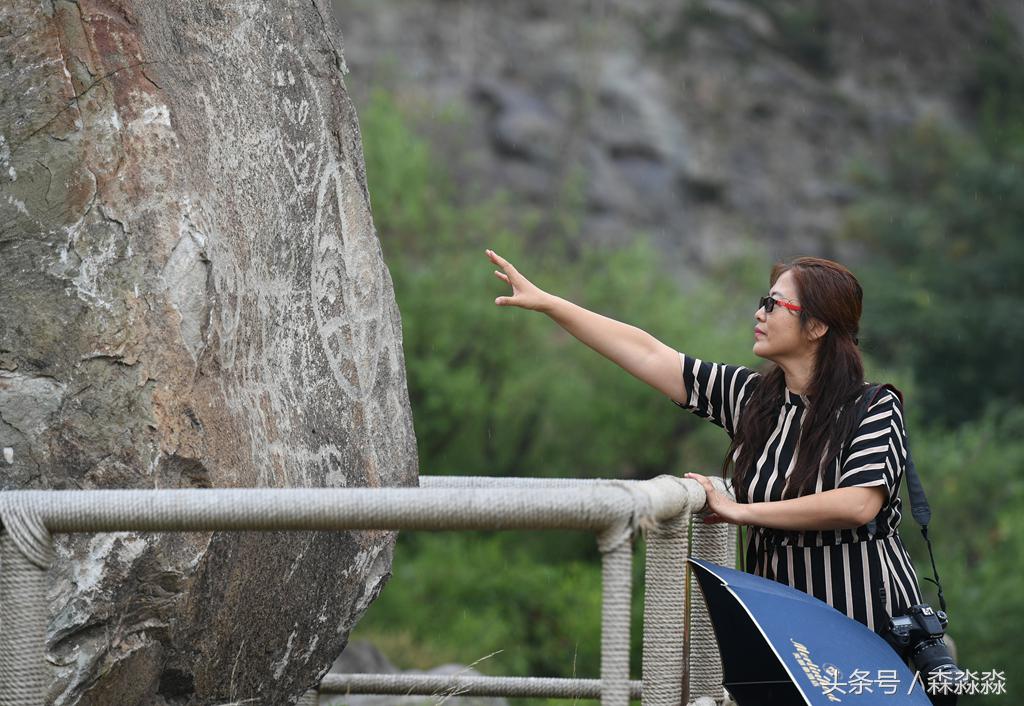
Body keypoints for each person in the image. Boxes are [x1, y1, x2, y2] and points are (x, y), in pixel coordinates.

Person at [485, 248, 925, 635]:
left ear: (816, 327)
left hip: (867, 627)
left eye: (773, 304)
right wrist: (548, 303)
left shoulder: (872, 405)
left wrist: (742, 511)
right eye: (762, 302)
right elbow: (650, 354)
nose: (759, 313)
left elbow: (858, 504)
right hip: (785, 633)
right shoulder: (754, 398)